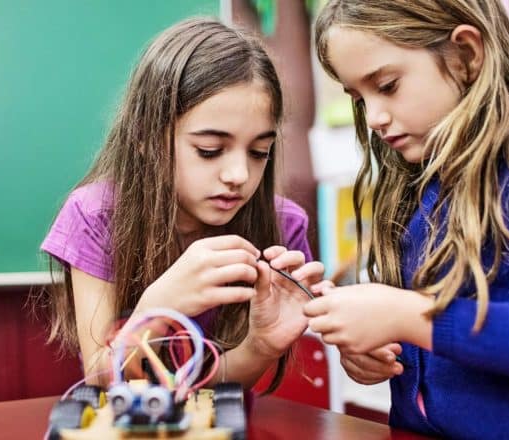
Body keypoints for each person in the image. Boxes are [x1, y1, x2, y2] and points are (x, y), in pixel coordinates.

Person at [303, 1, 509, 438]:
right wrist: (377, 349)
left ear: (466, 54)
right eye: (359, 98)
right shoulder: (416, 181)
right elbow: (443, 341)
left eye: (387, 85)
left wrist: (412, 317)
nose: (375, 119)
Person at [35, 17, 326, 393]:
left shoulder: (284, 224)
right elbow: (101, 378)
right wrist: (156, 309)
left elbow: (210, 393)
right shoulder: (94, 216)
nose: (238, 174)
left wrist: (259, 347)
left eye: (259, 152)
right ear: (146, 137)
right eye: (209, 150)